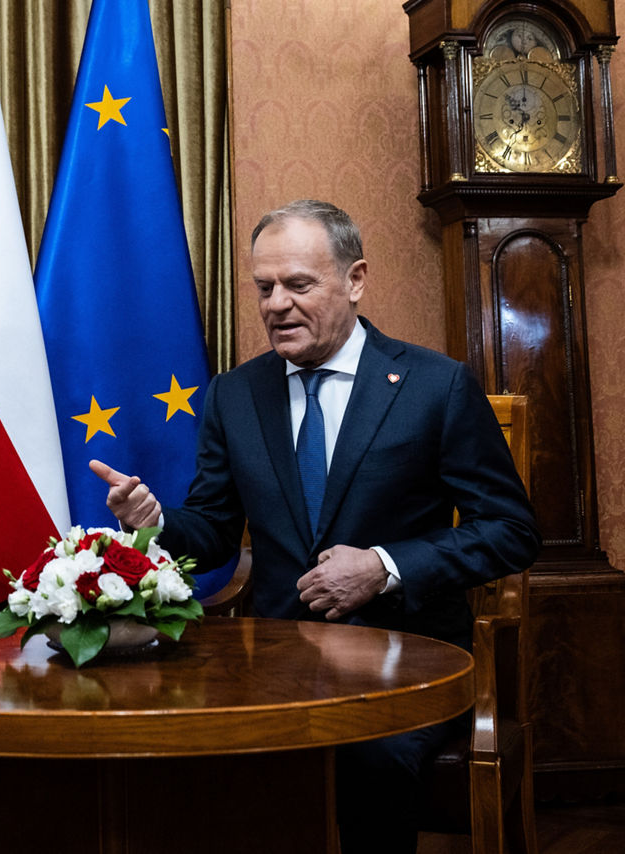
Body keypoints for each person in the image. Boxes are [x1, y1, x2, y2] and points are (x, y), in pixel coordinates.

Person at [92, 199, 540, 853]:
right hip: (272, 663)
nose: (276, 304)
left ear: (355, 280)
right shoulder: (234, 394)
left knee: (368, 760)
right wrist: (156, 522)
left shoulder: (435, 386)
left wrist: (384, 567)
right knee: (181, 753)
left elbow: (509, 529)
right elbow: (214, 532)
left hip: (403, 660)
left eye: (298, 284)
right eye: (264, 287)